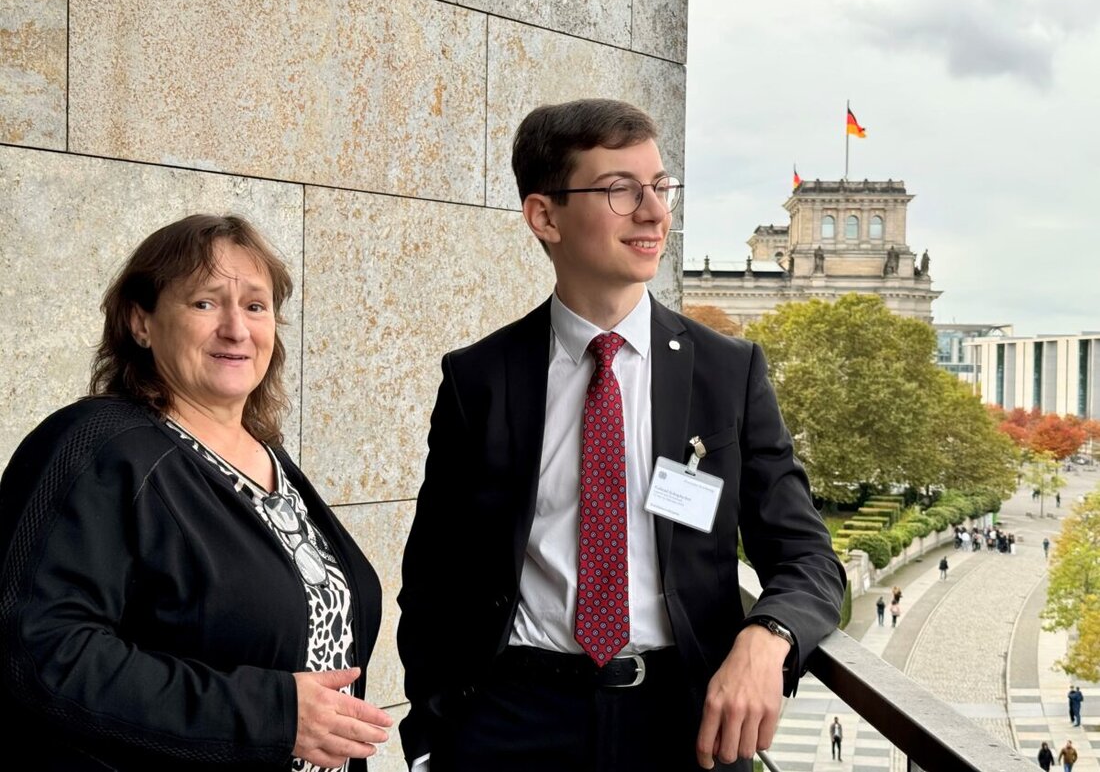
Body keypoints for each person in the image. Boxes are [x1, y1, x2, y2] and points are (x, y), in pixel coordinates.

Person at [397, 99, 846, 772]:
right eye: (620, 190)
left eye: (660, 187)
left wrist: (768, 635)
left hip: (683, 726)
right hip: (510, 723)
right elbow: (432, 575)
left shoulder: (728, 373)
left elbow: (809, 558)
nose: (655, 212)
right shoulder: (479, 378)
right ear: (544, 215)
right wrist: (436, 728)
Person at [0, 215, 392, 771]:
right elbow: (42, 651)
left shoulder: (266, 456)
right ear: (142, 321)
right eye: (206, 303)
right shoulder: (99, 447)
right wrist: (271, 715)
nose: (236, 328)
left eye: (255, 306)